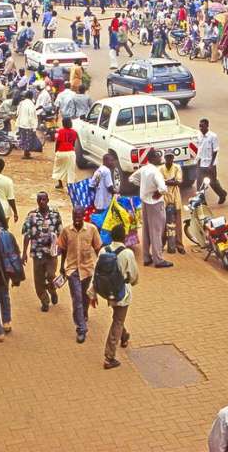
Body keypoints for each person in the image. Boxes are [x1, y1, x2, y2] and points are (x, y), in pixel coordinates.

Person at [88, 224, 138, 369]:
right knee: (117, 321)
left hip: (107, 291)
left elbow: (96, 273)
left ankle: (124, 335)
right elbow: (134, 276)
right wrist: (131, 282)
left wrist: (92, 293)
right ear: (124, 237)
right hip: (122, 293)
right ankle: (109, 357)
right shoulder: (128, 253)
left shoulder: (104, 250)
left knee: (118, 317)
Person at [58, 206, 103, 343]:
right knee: (76, 298)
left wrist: (100, 267)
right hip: (72, 270)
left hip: (87, 269)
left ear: (83, 216)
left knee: (85, 296)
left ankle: (84, 314)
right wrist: (62, 266)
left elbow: (97, 248)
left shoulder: (92, 230)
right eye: (74, 216)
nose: (76, 219)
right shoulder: (66, 231)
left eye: (79, 216)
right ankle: (81, 329)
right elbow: (63, 249)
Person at [129, 150, 173, 268]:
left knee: (146, 230)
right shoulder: (155, 172)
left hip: (145, 202)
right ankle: (158, 259)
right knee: (157, 231)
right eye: (158, 157)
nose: (160, 159)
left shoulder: (144, 169)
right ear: (153, 159)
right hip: (155, 204)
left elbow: (132, 179)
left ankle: (146, 257)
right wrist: (158, 193)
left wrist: (143, 186)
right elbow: (163, 189)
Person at [22, 192, 63, 311]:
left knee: (51, 275)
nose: (42, 202)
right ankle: (45, 300)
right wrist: (24, 252)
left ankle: (52, 291)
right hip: (37, 252)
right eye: (39, 199)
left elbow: (61, 233)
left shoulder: (55, 214)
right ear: (37, 201)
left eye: (44, 199)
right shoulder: (32, 215)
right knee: (39, 280)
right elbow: (27, 234)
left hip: (51, 253)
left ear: (48, 200)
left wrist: (60, 246)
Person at [159, 152, 186, 254]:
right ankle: (162, 244)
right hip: (164, 197)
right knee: (163, 222)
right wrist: (171, 181)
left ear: (173, 158)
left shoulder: (177, 167)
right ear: (165, 158)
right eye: (167, 157)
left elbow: (178, 182)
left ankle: (179, 245)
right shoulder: (160, 169)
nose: (169, 159)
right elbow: (160, 182)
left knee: (177, 222)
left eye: (171, 157)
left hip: (175, 196)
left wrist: (166, 181)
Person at [197, 118, 227, 204]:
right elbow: (199, 150)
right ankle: (202, 203)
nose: (201, 128)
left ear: (207, 126)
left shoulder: (213, 136)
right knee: (200, 185)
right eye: (200, 126)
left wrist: (211, 165)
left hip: (210, 165)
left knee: (213, 183)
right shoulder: (199, 136)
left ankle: (222, 194)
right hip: (201, 164)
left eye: (202, 126)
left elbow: (215, 151)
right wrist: (198, 163)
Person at [52, 117, 77, 190]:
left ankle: (60, 184)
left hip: (61, 152)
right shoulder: (74, 132)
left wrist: (56, 151)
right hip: (71, 153)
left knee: (59, 168)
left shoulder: (60, 131)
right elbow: (73, 144)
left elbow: (58, 142)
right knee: (70, 170)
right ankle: (70, 187)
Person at [16, 90, 37, 159]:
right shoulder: (31, 104)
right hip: (28, 124)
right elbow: (32, 116)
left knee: (24, 138)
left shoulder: (22, 103)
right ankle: (26, 154)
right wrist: (33, 126)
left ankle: (26, 153)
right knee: (28, 139)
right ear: (31, 96)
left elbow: (18, 112)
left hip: (21, 123)